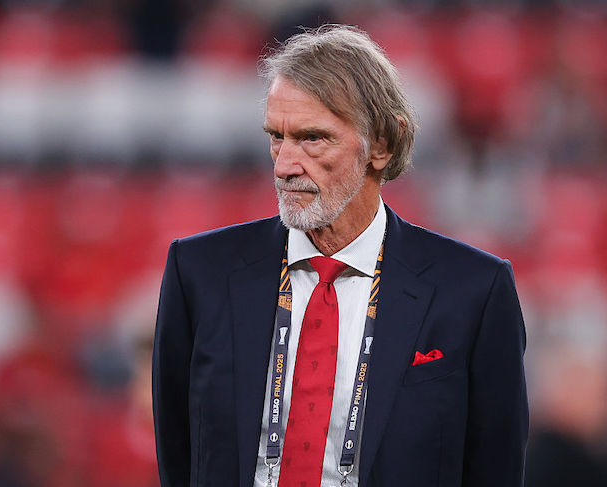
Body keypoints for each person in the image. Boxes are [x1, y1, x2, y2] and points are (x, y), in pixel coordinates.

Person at [153, 25, 528, 487]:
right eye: (277, 136)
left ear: (381, 145)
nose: (284, 165)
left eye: (312, 138)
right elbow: (178, 454)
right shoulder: (198, 272)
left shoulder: (473, 291)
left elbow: (495, 468)